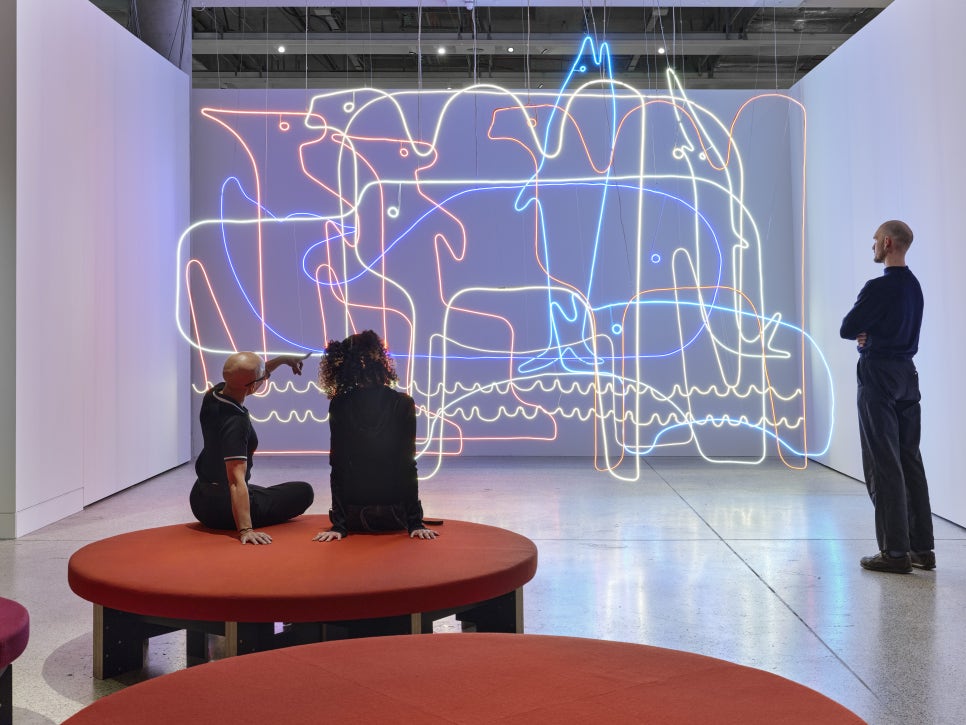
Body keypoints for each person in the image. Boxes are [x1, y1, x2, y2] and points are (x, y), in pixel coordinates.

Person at [840, 220, 934, 574]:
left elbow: (848, 328)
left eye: (876, 240)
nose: (873, 246)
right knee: (910, 459)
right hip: (908, 375)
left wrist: (868, 337)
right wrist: (874, 335)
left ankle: (895, 552)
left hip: (878, 375)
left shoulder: (878, 287)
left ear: (889, 243)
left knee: (884, 463)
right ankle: (921, 549)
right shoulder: (914, 286)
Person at [313, 330, 438, 542]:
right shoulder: (403, 403)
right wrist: (415, 522)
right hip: (395, 516)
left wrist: (340, 526)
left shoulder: (340, 404)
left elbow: (338, 466)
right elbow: (407, 465)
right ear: (380, 361)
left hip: (354, 518)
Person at [190, 351, 315, 544]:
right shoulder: (236, 422)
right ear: (253, 387)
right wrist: (246, 529)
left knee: (263, 492)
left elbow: (249, 377)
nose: (265, 377)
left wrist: (282, 360)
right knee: (304, 492)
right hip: (221, 511)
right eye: (262, 377)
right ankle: (244, 517)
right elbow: (235, 480)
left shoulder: (213, 394)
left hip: (200, 498)